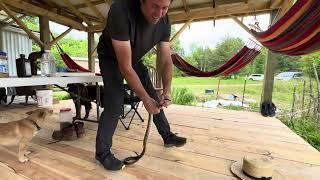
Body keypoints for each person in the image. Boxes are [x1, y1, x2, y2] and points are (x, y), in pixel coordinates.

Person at [96, 0, 187, 171]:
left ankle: (167, 136)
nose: (159, 13)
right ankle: (102, 153)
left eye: (164, 8)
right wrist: (143, 98)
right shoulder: (121, 10)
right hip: (110, 57)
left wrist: (166, 91)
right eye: (154, 6)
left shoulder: (165, 21)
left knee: (154, 95)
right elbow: (125, 67)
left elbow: (166, 60)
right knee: (115, 103)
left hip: (134, 58)